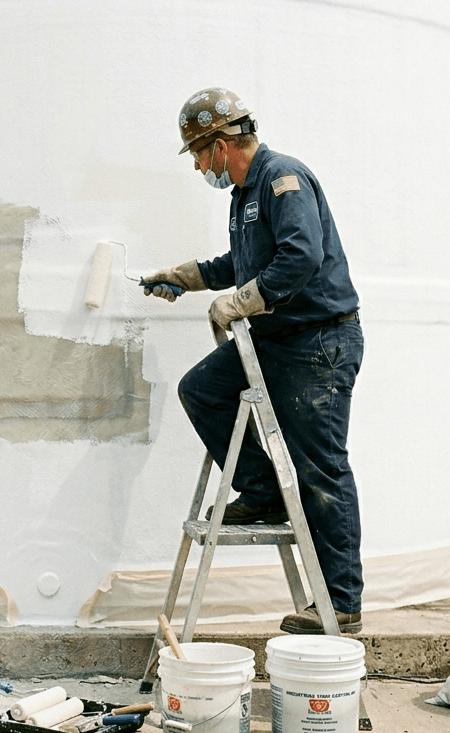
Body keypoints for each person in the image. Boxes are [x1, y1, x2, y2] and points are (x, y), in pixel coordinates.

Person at [142, 87, 365, 635]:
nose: (197, 166)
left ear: (221, 144)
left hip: (318, 344)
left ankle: (341, 603)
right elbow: (239, 263)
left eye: (197, 153)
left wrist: (238, 303)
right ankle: (262, 490)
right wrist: (185, 276)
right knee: (202, 389)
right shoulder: (243, 195)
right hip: (274, 340)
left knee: (320, 469)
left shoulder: (281, 178)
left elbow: (300, 257)